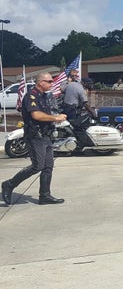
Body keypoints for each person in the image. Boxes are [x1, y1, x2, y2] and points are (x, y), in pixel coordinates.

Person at [2, 73, 67, 205]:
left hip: (46, 135)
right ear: (41, 82)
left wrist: (56, 117)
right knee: (37, 166)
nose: (51, 83)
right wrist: (55, 118)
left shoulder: (44, 97)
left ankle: (45, 195)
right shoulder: (31, 96)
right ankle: (9, 184)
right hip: (35, 136)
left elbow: (46, 114)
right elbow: (36, 115)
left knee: (48, 166)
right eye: (49, 81)